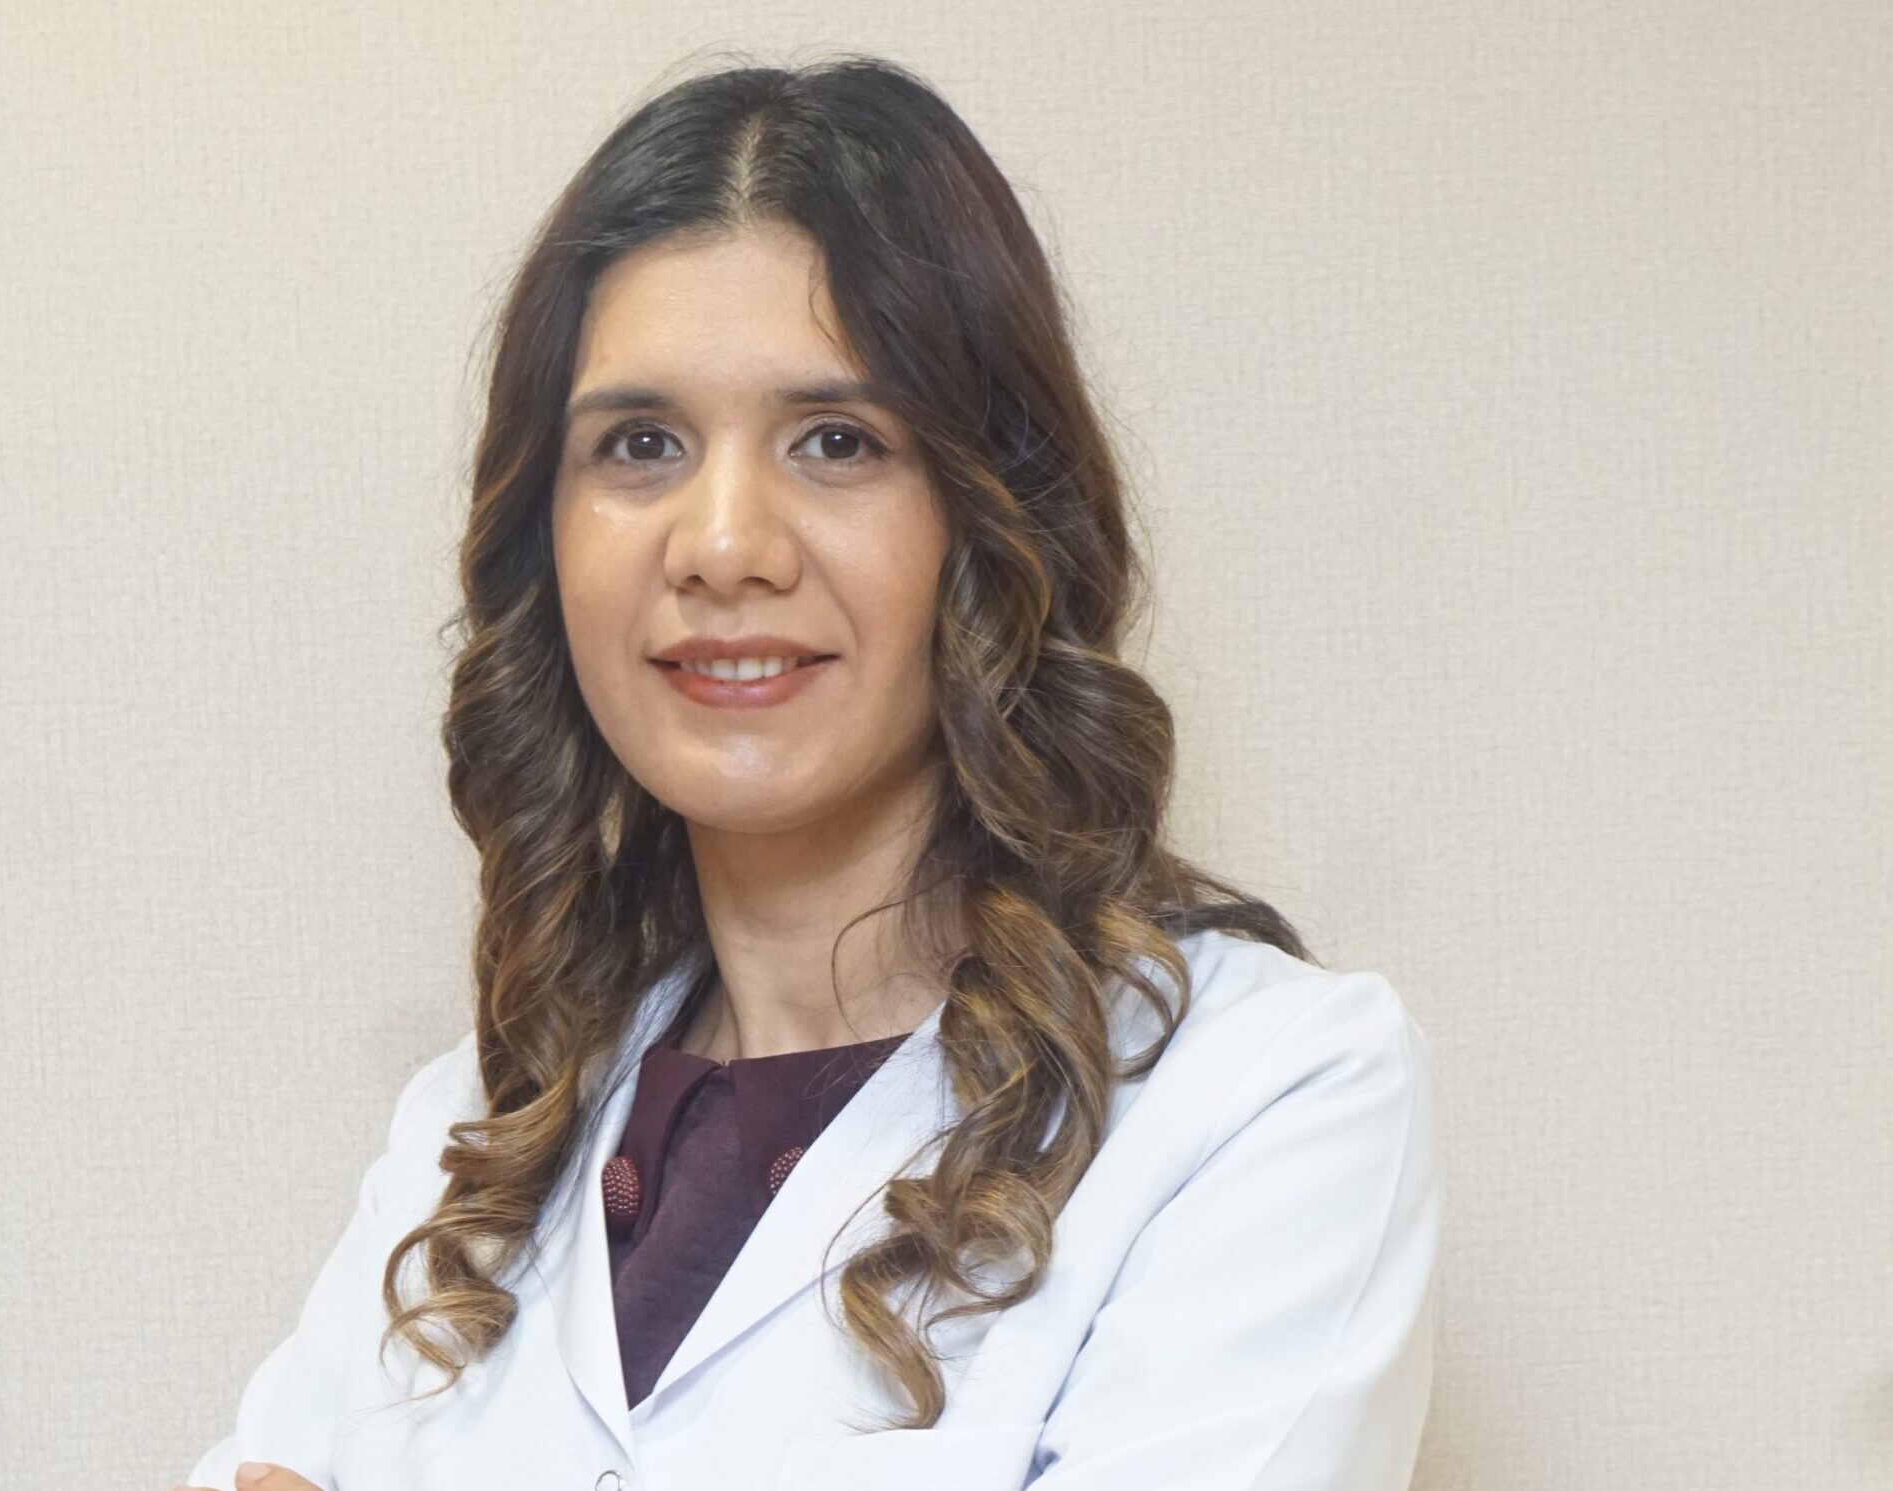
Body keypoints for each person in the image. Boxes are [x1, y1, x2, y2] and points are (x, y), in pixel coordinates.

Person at [177, 52, 1438, 1491]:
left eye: (836, 441)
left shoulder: (1265, 1098)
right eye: (639, 444)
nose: (722, 545)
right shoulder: (473, 1135)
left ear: (990, 519)